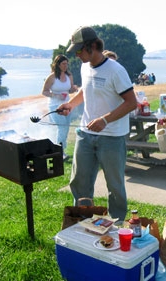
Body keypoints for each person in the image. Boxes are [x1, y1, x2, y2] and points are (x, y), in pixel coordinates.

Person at [57, 26, 137, 221]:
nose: (77, 55)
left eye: (79, 50)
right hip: (85, 134)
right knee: (79, 181)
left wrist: (104, 120)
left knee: (114, 185)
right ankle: (83, 220)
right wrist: (70, 104)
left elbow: (131, 103)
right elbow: (86, 91)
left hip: (111, 136)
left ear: (93, 46)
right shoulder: (85, 66)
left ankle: (116, 223)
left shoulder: (116, 70)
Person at [41, 54, 78, 161]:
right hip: (54, 106)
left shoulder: (69, 75)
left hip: (67, 105)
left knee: (65, 128)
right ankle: (59, 152)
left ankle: (62, 151)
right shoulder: (52, 77)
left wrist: (74, 89)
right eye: (63, 64)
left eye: (67, 64)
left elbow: (70, 89)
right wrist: (56, 95)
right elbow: (44, 92)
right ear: (57, 64)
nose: (66, 66)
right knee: (62, 127)